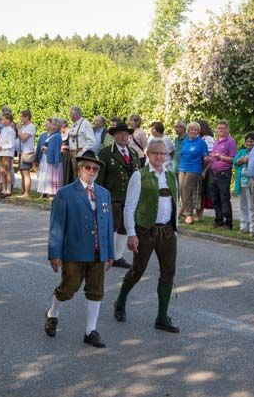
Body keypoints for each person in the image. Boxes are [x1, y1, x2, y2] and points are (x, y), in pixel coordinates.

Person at [44, 150, 114, 348]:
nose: (91, 171)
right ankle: (52, 313)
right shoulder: (65, 193)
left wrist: (109, 253)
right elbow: (56, 225)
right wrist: (54, 253)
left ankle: (90, 331)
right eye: (87, 167)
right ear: (79, 168)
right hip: (74, 250)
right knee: (68, 288)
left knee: (96, 290)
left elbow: (108, 224)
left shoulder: (103, 193)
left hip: (98, 251)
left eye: (95, 169)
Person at [113, 138, 180, 333]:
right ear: (148, 155)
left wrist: (176, 230)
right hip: (145, 231)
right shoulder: (139, 176)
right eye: (155, 153)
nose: (159, 156)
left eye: (162, 153)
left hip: (167, 231)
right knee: (138, 270)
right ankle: (120, 302)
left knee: (168, 272)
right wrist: (131, 234)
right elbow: (130, 207)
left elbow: (174, 204)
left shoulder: (170, 176)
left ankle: (161, 317)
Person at [97, 121, 140, 269]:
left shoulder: (133, 153)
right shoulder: (105, 153)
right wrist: (99, 197)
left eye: (126, 134)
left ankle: (118, 256)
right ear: (114, 136)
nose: (123, 136)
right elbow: (100, 178)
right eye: (120, 134)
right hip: (112, 197)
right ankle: (108, 255)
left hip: (129, 198)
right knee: (112, 227)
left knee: (124, 227)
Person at [178, 122, 209, 225]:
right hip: (182, 168)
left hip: (194, 169)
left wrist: (203, 169)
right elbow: (181, 154)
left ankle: (186, 214)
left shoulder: (201, 143)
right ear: (188, 130)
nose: (193, 131)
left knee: (186, 188)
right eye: (191, 129)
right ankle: (187, 214)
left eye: (195, 130)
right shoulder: (185, 141)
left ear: (198, 131)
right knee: (182, 190)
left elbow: (206, 158)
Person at [209, 120, 237, 229]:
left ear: (227, 129)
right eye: (219, 128)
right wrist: (211, 156)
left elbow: (233, 159)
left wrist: (222, 157)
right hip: (213, 173)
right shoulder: (216, 141)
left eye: (222, 128)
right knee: (215, 198)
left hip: (224, 174)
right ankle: (218, 220)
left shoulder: (230, 142)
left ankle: (228, 222)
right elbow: (214, 155)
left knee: (224, 198)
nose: (220, 130)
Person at [233, 132, 254, 233]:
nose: (248, 143)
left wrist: (247, 161)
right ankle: (243, 226)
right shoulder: (242, 151)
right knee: (242, 205)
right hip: (241, 182)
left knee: (252, 206)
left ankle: (253, 228)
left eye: (251, 141)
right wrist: (241, 161)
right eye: (247, 141)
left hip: (251, 182)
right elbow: (235, 161)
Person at [35, 118, 63, 199]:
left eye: (55, 125)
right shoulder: (52, 135)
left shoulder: (57, 136)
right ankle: (44, 192)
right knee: (45, 175)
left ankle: (52, 194)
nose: (53, 126)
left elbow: (56, 149)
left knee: (52, 176)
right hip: (46, 158)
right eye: (52, 125)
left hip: (52, 159)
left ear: (58, 126)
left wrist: (46, 149)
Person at [0, 113, 16, 197]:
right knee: (2, 171)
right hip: (1, 152)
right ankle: (4, 189)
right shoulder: (3, 129)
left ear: (8, 120)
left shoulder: (10, 130)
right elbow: (1, 141)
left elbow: (11, 144)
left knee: (7, 171)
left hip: (7, 153)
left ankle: (8, 190)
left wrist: (0, 147)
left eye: (3, 119)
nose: (1, 120)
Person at [67, 106, 95, 177]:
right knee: (75, 174)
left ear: (76, 114)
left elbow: (91, 141)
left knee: (82, 175)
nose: (70, 116)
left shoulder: (86, 124)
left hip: (81, 153)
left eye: (71, 114)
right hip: (73, 153)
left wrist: (82, 152)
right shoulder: (74, 124)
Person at [18, 110, 36, 198]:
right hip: (22, 151)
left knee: (26, 173)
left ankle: (27, 193)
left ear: (27, 117)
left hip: (27, 152)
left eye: (22, 117)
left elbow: (24, 138)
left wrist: (19, 131)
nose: (20, 118)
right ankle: (23, 190)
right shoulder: (24, 126)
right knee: (22, 172)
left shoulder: (30, 127)